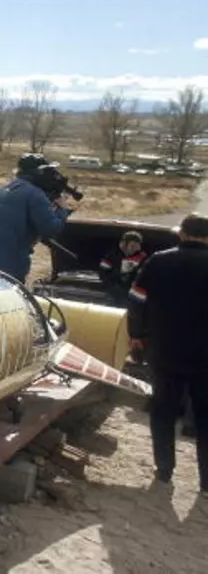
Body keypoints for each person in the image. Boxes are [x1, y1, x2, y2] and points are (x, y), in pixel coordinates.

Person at [126, 212, 208, 496]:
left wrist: (136, 334)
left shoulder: (159, 261)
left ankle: (164, 470)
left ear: (182, 233)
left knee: (163, 410)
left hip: (165, 349)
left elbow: (136, 299)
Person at [0, 153, 76, 283]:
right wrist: (62, 209)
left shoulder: (3, 190)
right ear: (38, 173)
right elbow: (51, 228)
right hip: (10, 264)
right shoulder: (35, 194)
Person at [98, 230, 148, 306]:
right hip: (113, 291)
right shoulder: (112, 254)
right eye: (132, 245)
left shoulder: (142, 257)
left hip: (131, 294)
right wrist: (117, 276)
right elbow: (103, 273)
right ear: (124, 244)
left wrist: (134, 272)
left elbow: (145, 277)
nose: (134, 249)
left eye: (137, 246)